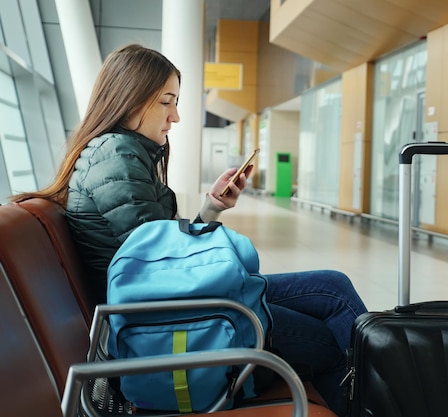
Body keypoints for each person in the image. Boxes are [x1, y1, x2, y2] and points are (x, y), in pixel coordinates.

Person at [10, 44, 367, 414]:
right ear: (130, 98)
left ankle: (394, 389)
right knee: (328, 338)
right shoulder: (114, 155)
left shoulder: (119, 153)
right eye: (167, 102)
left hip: (169, 304)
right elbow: (164, 265)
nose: (175, 116)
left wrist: (211, 207)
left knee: (333, 288)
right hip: (170, 317)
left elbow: (161, 255)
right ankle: (394, 396)